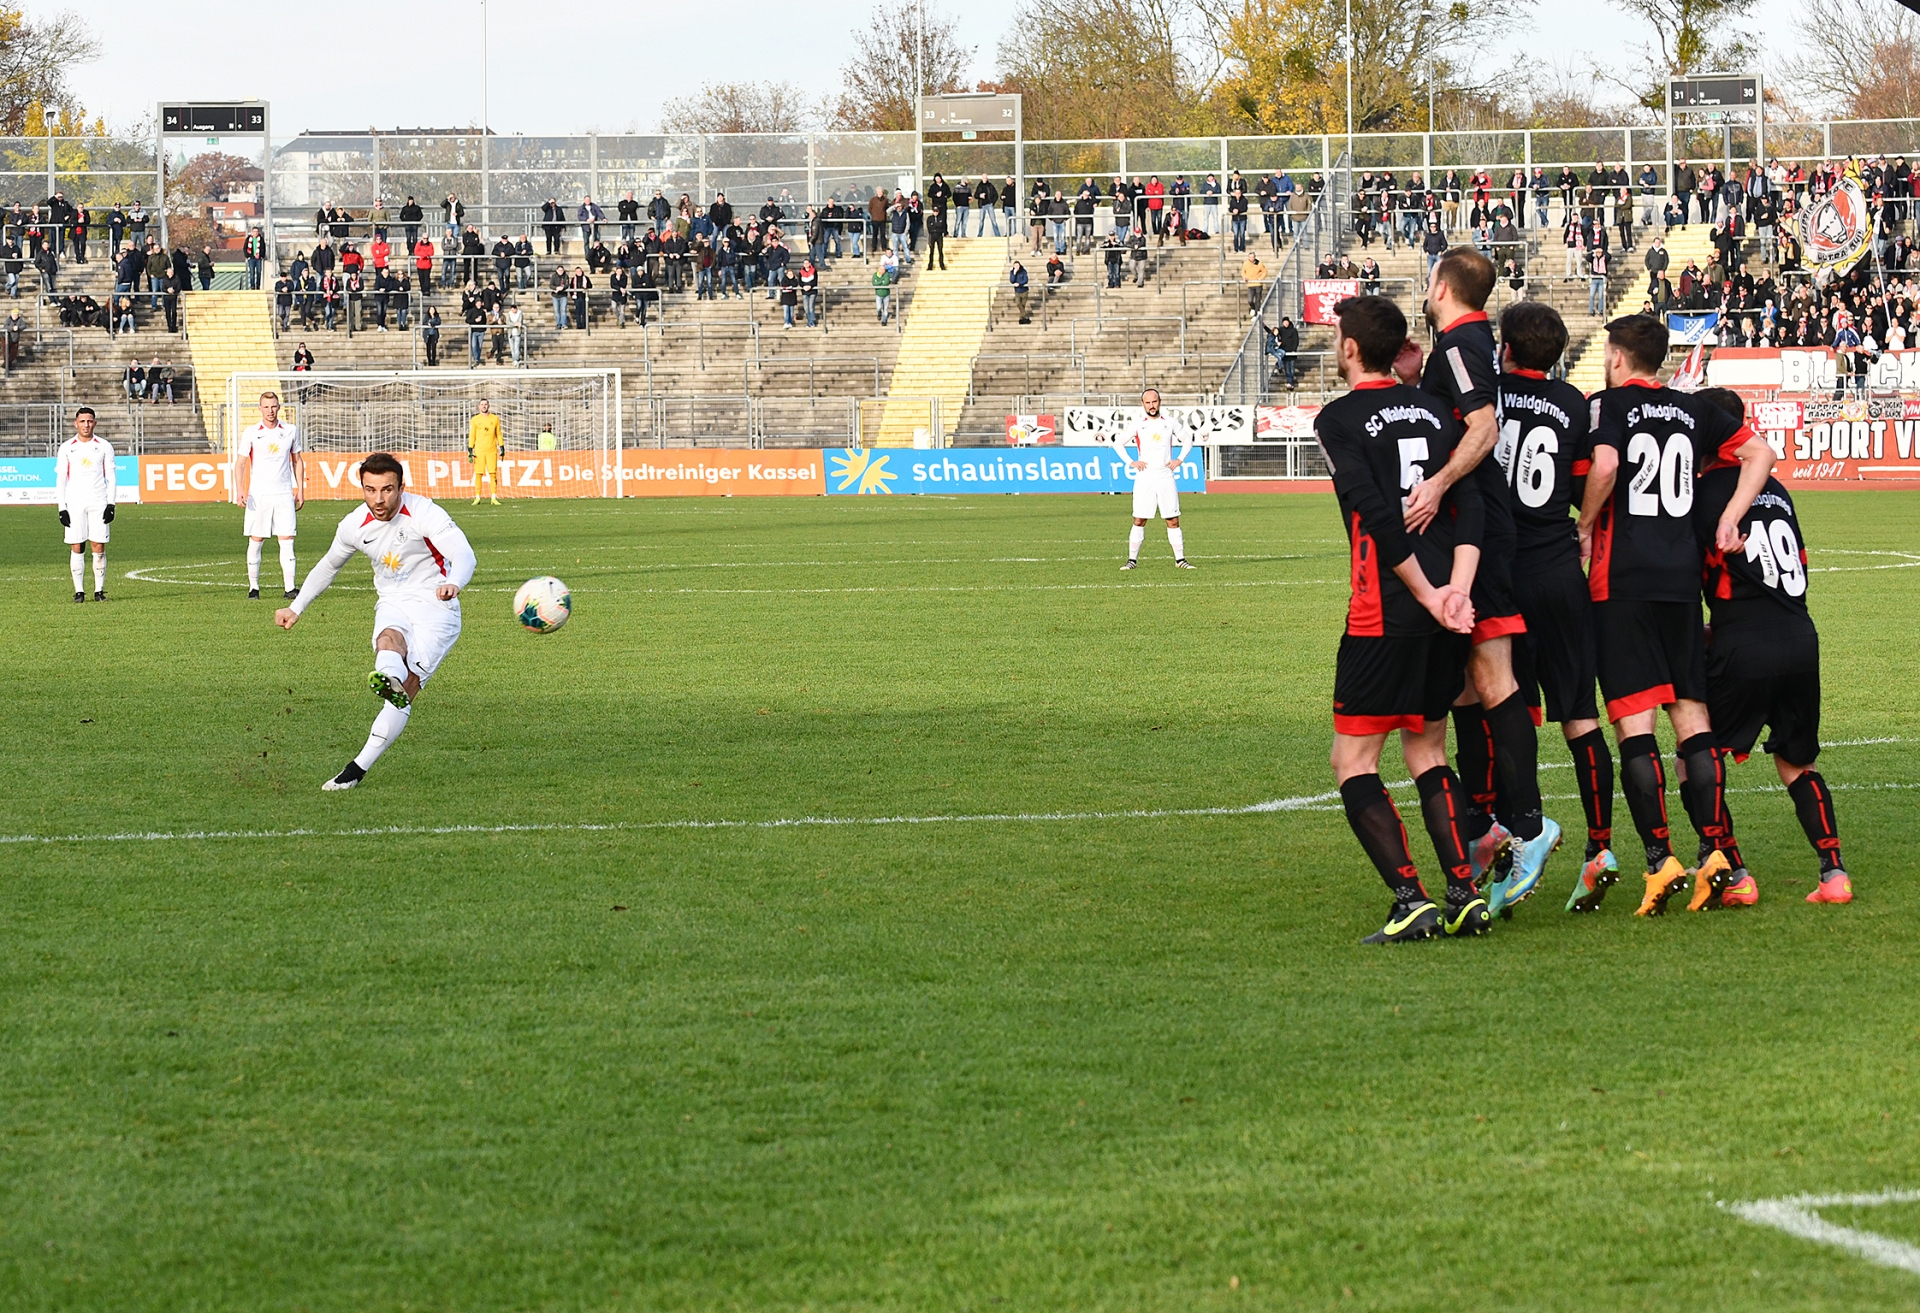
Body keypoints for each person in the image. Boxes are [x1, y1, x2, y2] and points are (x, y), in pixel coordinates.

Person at [1575, 314, 1775, 914]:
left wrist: (1584, 525)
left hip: (1621, 582)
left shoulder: (1608, 404)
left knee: (1634, 724)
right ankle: (1715, 853)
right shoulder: (1694, 409)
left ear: (1617, 357)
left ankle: (1660, 858)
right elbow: (1761, 453)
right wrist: (1730, 518)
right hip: (1681, 584)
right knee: (1691, 717)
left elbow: (1604, 467)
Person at [1315, 294, 1486, 943]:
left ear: (1351, 348)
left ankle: (1411, 898)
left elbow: (1377, 518)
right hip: (1446, 609)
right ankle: (1465, 894)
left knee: (1353, 761)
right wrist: (1455, 592)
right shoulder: (1437, 410)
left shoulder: (1338, 418)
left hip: (1384, 609)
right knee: (1428, 749)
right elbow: (1471, 506)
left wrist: (1426, 593)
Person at [1398, 247, 1559, 911]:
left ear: (1441, 286)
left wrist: (1437, 483)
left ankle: (1529, 828)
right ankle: (1489, 824)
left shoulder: (1462, 342)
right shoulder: (1462, 345)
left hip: (1481, 529)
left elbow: (1484, 426)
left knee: (1493, 679)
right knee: (1467, 685)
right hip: (1473, 528)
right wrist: (1419, 380)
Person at [1692, 387, 1852, 906]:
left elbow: (1694, 573)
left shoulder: (1705, 492)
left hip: (1743, 643)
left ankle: (1733, 872)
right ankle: (1833, 874)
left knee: (1698, 755)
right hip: (1800, 636)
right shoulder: (1776, 488)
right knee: (1797, 763)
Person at [1493, 302, 1621, 912]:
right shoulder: (1572, 402)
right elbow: (1594, 472)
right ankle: (1601, 849)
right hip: (1559, 570)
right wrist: (1586, 524)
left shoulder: (1490, 394)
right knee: (1580, 716)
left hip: (1503, 574)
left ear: (1507, 349)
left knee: (1508, 710)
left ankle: (1524, 836)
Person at [275, 453, 476, 792]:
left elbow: (463, 553)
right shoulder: (354, 525)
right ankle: (387, 679)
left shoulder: (424, 512)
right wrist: (297, 607)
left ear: (401, 487)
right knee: (387, 639)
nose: (378, 499)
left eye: (387, 490)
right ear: (362, 488)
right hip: (393, 601)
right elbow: (329, 566)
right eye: (370, 490)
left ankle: (358, 766)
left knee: (405, 692)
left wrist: (454, 582)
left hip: (436, 607)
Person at [1117, 389, 1194, 571]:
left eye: (1154, 401)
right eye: (1148, 402)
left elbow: (1188, 440)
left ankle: (1180, 560)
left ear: (1159, 402)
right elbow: (1118, 443)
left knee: (1172, 519)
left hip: (1166, 476)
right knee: (1139, 519)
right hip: (1145, 477)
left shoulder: (1170, 422)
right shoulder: (1138, 424)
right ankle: (1132, 560)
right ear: (1143, 404)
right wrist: (1131, 462)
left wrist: (1179, 460)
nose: (1151, 406)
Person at [237, 391, 304, 600]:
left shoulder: (290, 430)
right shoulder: (251, 432)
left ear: (279, 407)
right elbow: (240, 463)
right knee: (256, 539)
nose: (270, 411)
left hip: (284, 493)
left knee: (287, 539)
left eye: (273, 406)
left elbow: (297, 460)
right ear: (260, 409)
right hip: (259, 494)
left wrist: (300, 489)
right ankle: (254, 588)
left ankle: (290, 588)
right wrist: (239, 489)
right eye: (266, 407)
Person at [56, 406, 115, 603]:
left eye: (89, 421)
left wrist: (111, 504)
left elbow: (111, 477)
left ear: (95, 423)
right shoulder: (67, 447)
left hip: (98, 502)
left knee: (98, 545)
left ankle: (99, 591)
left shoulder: (104, 446)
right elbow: (61, 479)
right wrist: (62, 507)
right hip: (74, 503)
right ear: (76, 423)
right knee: (77, 545)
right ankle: (79, 592)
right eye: (82, 421)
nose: (86, 425)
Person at [468, 400, 504, 504]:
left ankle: (493, 497)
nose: (484, 406)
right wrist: (470, 448)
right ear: (479, 406)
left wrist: (502, 446)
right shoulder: (475, 420)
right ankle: (477, 497)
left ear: (489, 406)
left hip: (491, 450)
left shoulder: (495, 418)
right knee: (478, 474)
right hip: (479, 451)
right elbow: (472, 435)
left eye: (485, 404)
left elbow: (498, 434)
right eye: (482, 405)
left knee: (493, 474)